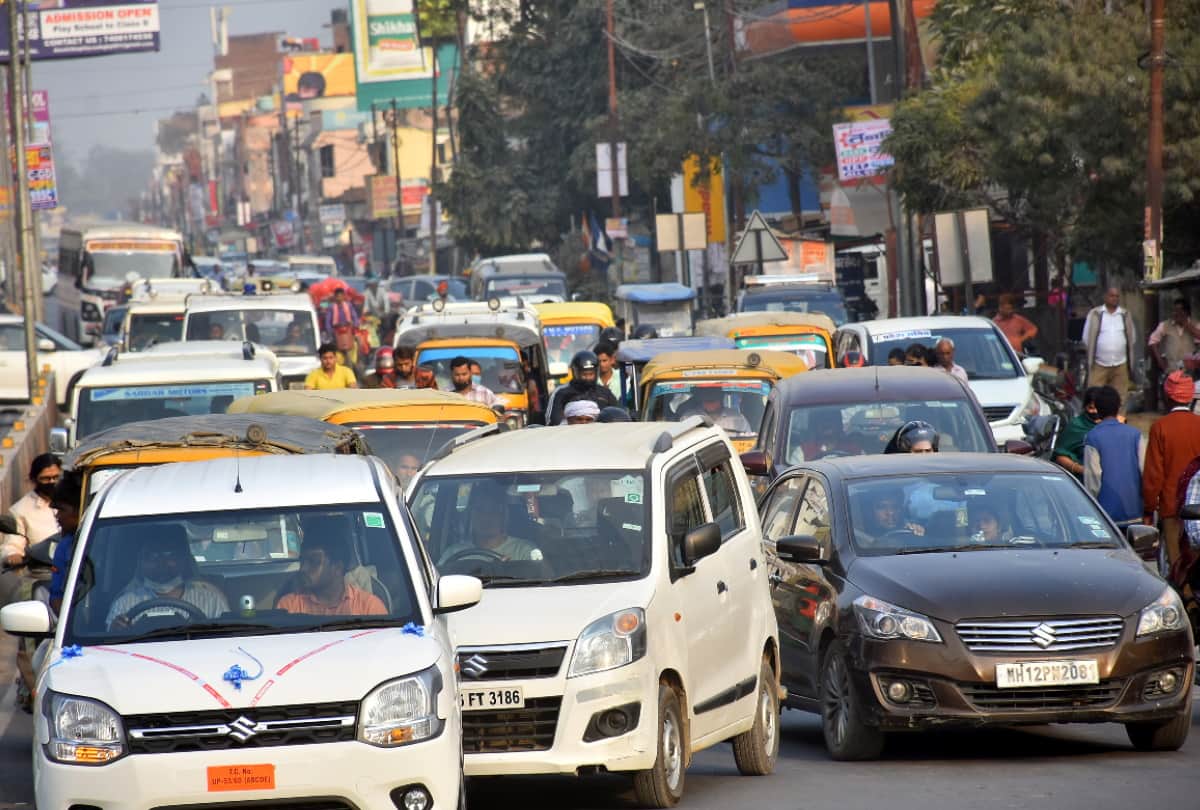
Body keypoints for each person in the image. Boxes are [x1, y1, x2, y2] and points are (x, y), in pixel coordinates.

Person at [106, 528, 230, 629]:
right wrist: (115, 630)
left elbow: (226, 639)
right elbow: (111, 649)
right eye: (152, 556)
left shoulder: (211, 599)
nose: (161, 563)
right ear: (141, 562)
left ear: (183, 560)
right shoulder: (123, 604)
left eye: (170, 556)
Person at [1143, 370, 1200, 568]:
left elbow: (1153, 475)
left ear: (1168, 396)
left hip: (1171, 506)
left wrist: (1149, 508)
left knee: (1176, 563)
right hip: (1198, 505)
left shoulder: (1160, 427)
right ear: (1191, 397)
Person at [277, 530, 386, 616]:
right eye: (302, 561)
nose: (303, 568)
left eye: (314, 562)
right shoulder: (289, 606)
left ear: (337, 568)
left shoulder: (369, 607)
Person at [1082, 386, 1146, 525]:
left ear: (1097, 409)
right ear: (1118, 407)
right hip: (1135, 511)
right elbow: (1144, 471)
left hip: (1106, 517)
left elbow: (1093, 479)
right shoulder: (1135, 434)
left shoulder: (1092, 437)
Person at [439, 484, 543, 564]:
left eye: (494, 510)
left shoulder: (524, 551)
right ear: (471, 515)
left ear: (504, 515)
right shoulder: (454, 553)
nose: (486, 516)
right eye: (480, 510)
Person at [2, 454, 61, 571]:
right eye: (46, 478)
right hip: (42, 574)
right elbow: (12, 544)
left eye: (56, 477)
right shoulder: (20, 510)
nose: (52, 482)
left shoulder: (76, 499)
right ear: (34, 479)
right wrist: (12, 556)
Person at [1082, 286, 1137, 409]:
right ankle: (1094, 424)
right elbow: (1086, 338)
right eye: (1112, 296)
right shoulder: (1095, 314)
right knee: (1093, 396)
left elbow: (1131, 339)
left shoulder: (1125, 314)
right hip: (1099, 364)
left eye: (1117, 296)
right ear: (1105, 297)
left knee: (1120, 397)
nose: (1115, 299)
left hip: (1120, 364)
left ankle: (1119, 424)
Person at [544, 350, 619, 425]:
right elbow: (553, 421)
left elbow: (617, 416)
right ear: (575, 372)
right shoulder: (561, 393)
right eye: (584, 374)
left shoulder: (605, 393)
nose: (588, 378)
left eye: (591, 374)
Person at [1052, 386, 1103, 477]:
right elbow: (1060, 455)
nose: (1095, 412)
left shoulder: (1112, 425)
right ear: (1085, 407)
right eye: (1091, 408)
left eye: (1099, 408)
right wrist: (1080, 469)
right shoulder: (1076, 426)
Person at [1147, 299, 1200, 375]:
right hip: (1171, 371)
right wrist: (1160, 362)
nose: (1175, 313)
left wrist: (1187, 325)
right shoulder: (1165, 325)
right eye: (1174, 310)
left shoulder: (1195, 324)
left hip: (1191, 372)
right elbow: (1152, 341)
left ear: (1186, 312)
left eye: (1179, 311)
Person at [854, 491, 924, 547]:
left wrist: (919, 533)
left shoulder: (909, 528)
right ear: (870, 511)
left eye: (895, 506)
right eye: (882, 507)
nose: (891, 512)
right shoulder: (857, 537)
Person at [679, 386, 754, 433]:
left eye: (713, 400)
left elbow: (749, 440)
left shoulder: (737, 418)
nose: (710, 403)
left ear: (720, 398)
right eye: (706, 400)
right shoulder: (688, 418)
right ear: (701, 400)